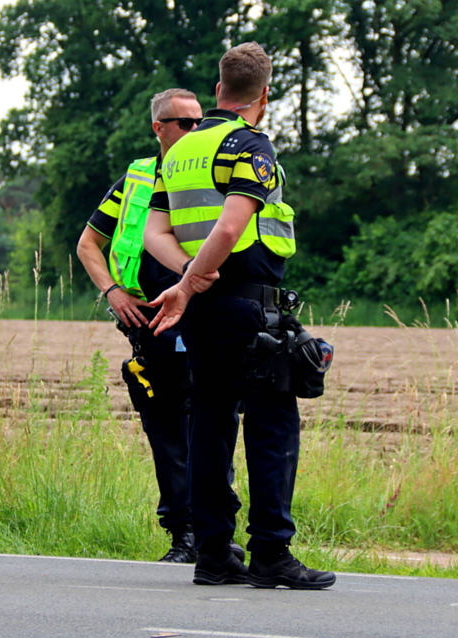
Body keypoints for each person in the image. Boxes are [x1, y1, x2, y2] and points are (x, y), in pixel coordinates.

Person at [143, 43, 336, 589]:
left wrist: (188, 280)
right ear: (264, 97)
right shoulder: (249, 145)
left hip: (202, 309)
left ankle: (212, 555)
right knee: (273, 421)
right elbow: (230, 228)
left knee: (209, 421)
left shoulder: (178, 151)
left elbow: (154, 234)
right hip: (248, 304)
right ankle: (272, 553)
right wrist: (198, 279)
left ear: (219, 89)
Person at [76, 88, 243, 563]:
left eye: (199, 121)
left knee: (213, 423)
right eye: (184, 123)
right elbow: (88, 244)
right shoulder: (138, 178)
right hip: (150, 324)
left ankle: (217, 532)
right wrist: (113, 292)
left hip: (205, 315)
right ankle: (182, 535)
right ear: (159, 128)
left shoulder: (210, 171)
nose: (195, 129)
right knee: (167, 428)